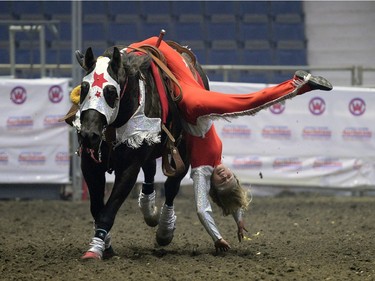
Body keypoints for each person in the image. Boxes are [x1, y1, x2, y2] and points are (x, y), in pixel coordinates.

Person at [129, 37, 332, 251]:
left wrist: (217, 238)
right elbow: (234, 195)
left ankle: (299, 85)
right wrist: (239, 219)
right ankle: (298, 85)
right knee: (158, 43)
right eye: (231, 178)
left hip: (194, 107)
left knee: (246, 104)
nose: (226, 176)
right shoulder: (218, 163)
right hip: (194, 91)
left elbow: (202, 209)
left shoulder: (202, 172)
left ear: (213, 185)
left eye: (222, 181)